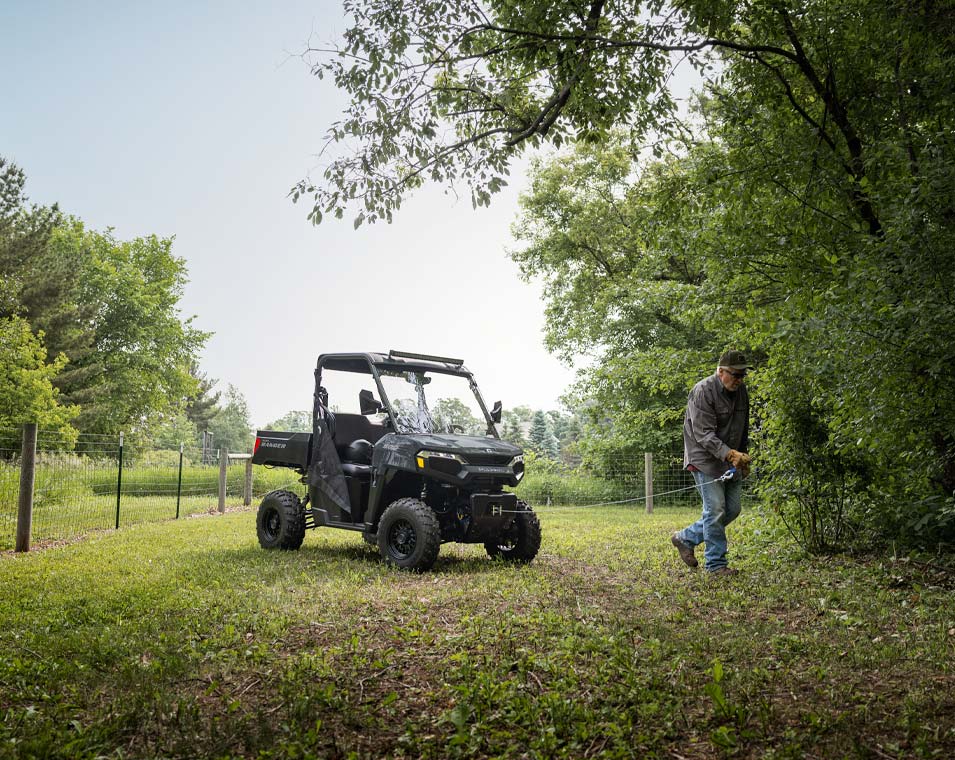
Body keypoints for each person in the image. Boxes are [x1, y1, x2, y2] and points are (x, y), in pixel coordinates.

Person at [671, 350, 752, 576]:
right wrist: (730, 454)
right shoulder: (702, 391)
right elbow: (703, 434)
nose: (739, 379)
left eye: (742, 375)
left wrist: (743, 457)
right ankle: (716, 565)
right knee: (715, 509)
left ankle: (685, 538)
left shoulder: (741, 392)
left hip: (729, 459)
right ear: (720, 371)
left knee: (733, 509)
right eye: (735, 374)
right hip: (704, 459)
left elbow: (742, 427)